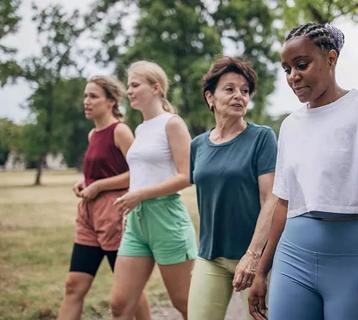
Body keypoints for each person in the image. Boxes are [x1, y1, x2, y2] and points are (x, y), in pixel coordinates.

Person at [248, 23, 358, 320]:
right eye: (287, 69)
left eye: (301, 65)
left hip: (351, 256)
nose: (293, 77)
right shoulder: (290, 125)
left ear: (331, 59)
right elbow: (283, 203)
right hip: (293, 256)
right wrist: (261, 272)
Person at [188, 56, 278, 320]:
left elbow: (270, 199)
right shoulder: (198, 145)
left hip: (256, 258)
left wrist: (253, 257)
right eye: (229, 89)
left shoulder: (262, 138)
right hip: (210, 256)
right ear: (210, 98)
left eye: (245, 90)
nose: (239, 95)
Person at [110, 60, 197, 320]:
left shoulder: (172, 123)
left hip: (167, 219)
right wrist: (135, 201)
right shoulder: (140, 128)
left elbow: (188, 175)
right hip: (137, 223)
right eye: (129, 86)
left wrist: (141, 195)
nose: (129, 91)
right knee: (120, 304)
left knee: (185, 304)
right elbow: (141, 174)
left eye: (135, 85)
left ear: (156, 88)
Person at [57, 75, 150, 320]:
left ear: (110, 101)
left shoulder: (120, 131)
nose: (86, 101)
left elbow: (138, 174)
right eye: (85, 96)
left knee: (129, 290)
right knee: (73, 285)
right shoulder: (92, 134)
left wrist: (98, 186)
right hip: (88, 219)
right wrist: (85, 183)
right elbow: (99, 171)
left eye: (93, 96)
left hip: (115, 217)